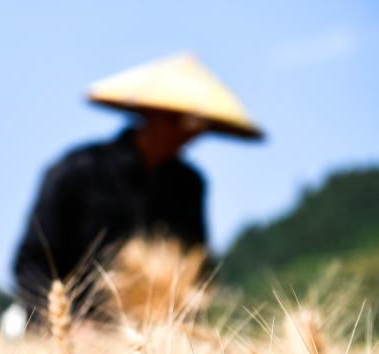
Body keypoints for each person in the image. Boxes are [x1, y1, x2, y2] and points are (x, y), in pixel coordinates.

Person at [13, 53, 263, 317]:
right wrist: (69, 325)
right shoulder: (76, 171)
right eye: (184, 121)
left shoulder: (188, 186)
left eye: (200, 126)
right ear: (153, 114)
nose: (191, 135)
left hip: (157, 338)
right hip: (76, 336)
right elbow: (31, 264)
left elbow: (194, 267)